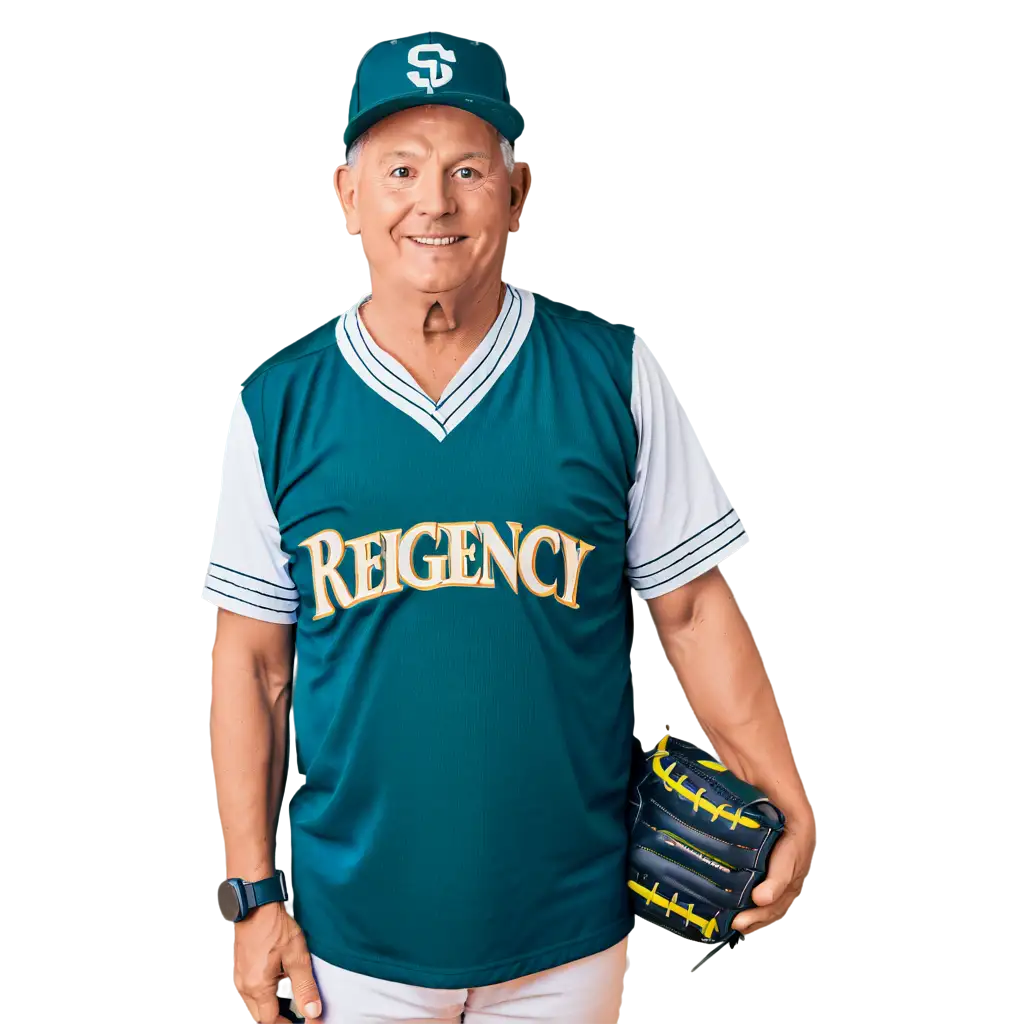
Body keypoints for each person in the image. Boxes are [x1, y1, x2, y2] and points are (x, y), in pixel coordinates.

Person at [201, 27, 816, 1024]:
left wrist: (782, 794)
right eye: (399, 168)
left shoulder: (613, 376)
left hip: (565, 935)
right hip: (348, 941)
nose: (433, 202)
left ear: (516, 193)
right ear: (345, 196)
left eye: (466, 169)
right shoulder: (274, 406)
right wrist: (252, 898)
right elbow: (253, 661)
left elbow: (693, 611)